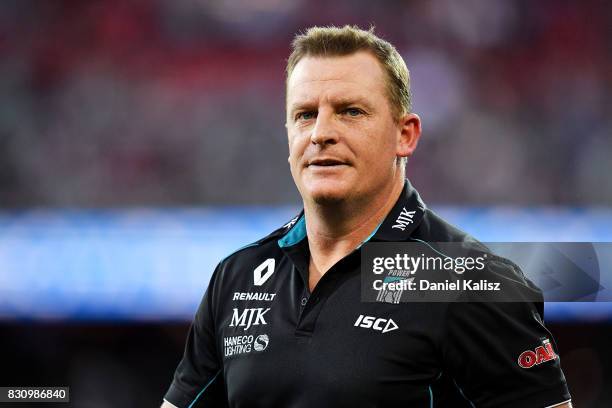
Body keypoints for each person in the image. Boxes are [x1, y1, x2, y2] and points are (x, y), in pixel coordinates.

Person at [161, 25, 572, 408]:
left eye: (350, 111)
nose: (321, 132)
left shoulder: (467, 282)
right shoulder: (236, 277)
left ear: (404, 135)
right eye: (305, 114)